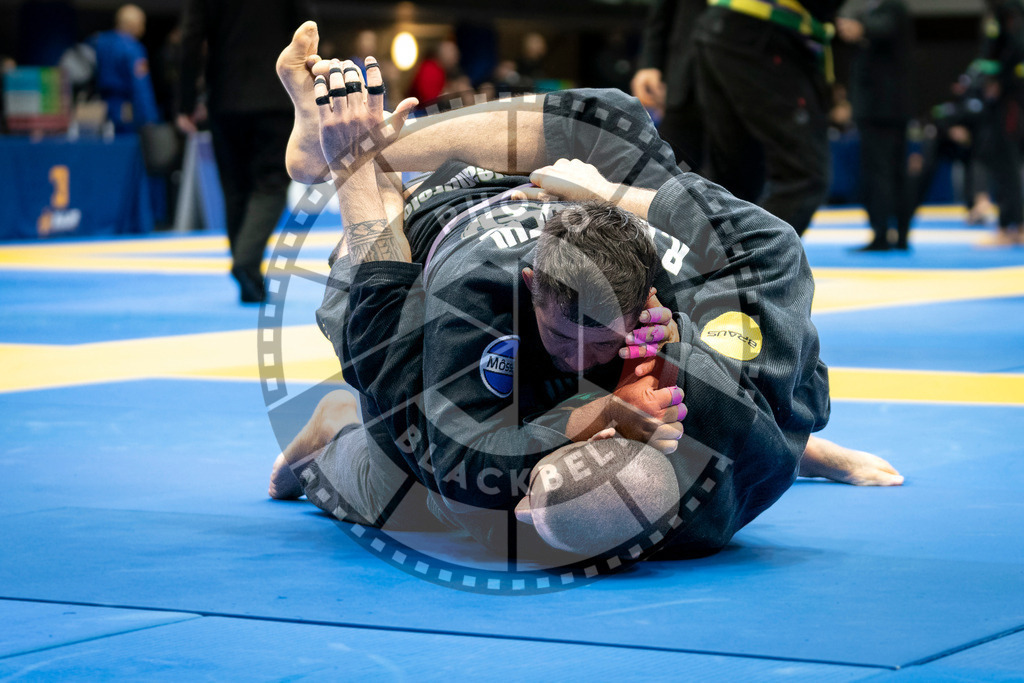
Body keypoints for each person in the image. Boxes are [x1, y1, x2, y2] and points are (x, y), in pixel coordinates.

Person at [268, 33, 901, 559]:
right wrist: (608, 195)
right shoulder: (698, 374)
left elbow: (383, 327)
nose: (579, 361)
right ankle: (380, 140)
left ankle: (330, 428)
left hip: (433, 220)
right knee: (616, 120)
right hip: (567, 202)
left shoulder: (484, 498)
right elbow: (769, 247)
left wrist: (353, 164)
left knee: (401, 480)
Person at [177, 0, 312, 303]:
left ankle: (248, 274)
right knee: (271, 184)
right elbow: (307, 32)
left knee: (235, 186)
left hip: (226, 97)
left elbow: (191, 38)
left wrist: (186, 102)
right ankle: (246, 263)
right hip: (276, 96)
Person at [691, 0, 842, 237]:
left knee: (733, 177)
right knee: (804, 174)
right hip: (762, 30)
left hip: (722, 26)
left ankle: (711, 257)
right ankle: (756, 257)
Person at [837, 0, 914, 252]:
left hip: (881, 110)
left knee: (880, 173)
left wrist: (859, 26)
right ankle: (899, 235)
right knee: (893, 172)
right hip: (890, 108)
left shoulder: (890, 9)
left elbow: (882, 27)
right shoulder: (886, 10)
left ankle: (883, 234)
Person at [631, 0, 709, 172]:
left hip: (744, 78)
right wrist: (650, 62)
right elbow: (662, 11)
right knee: (667, 170)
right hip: (686, 80)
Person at [972, 0, 1024, 246]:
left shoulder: (1010, 12)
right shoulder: (1002, 14)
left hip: (1010, 101)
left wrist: (998, 79)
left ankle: (1016, 226)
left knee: (1009, 164)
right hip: (1002, 101)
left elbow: (1013, 50)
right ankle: (1008, 225)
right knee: (1001, 162)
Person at [90, 4, 160, 134]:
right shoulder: (134, 48)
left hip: (100, 106)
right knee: (126, 142)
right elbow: (141, 85)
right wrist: (150, 118)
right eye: (141, 23)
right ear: (134, 24)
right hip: (125, 109)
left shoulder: (99, 41)